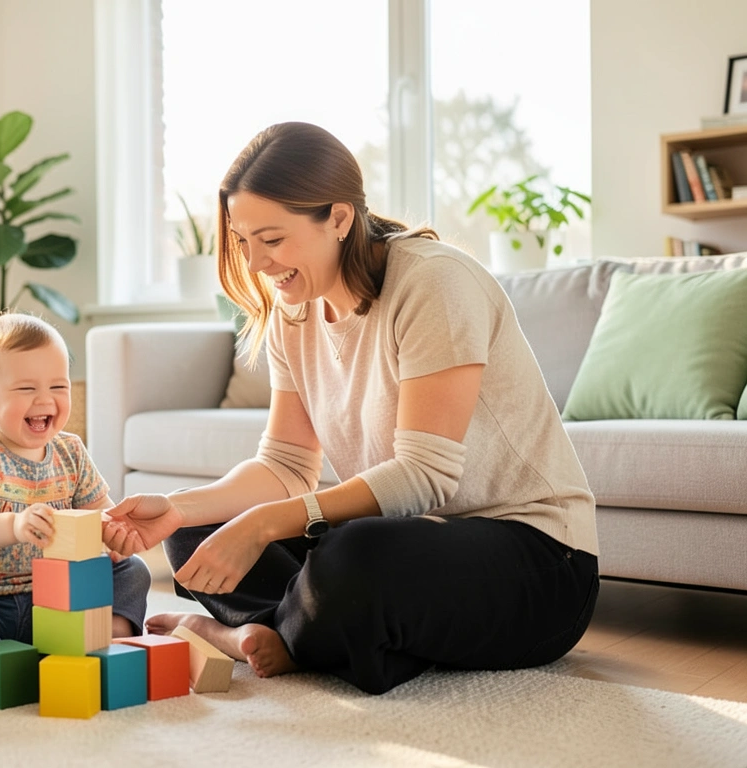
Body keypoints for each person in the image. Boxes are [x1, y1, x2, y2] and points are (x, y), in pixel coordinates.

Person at [103, 122, 600, 695]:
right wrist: (177, 507)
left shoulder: (434, 283)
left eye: (273, 239)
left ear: (339, 219)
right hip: (409, 541)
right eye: (244, 241)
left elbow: (425, 477)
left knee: (354, 553)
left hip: (538, 562)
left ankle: (242, 633)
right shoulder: (297, 309)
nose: (258, 264)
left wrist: (263, 525)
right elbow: (286, 466)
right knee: (196, 531)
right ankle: (304, 634)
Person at [0, 313, 150, 682]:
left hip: (57, 600)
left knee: (132, 571)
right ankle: (12, 671)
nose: (45, 400)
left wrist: (114, 534)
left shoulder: (70, 450)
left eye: (58, 387)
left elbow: (100, 515)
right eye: (26, 389)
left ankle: (103, 640)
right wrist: (15, 525)